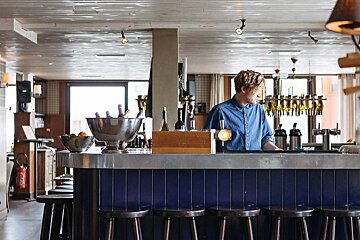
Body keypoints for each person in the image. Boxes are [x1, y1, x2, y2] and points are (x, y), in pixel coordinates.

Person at [205, 70, 281, 152]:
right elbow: (206, 142)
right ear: (244, 89)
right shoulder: (219, 111)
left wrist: (277, 150)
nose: (260, 95)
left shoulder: (258, 109)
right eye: (256, 91)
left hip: (255, 163)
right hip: (228, 164)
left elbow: (265, 138)